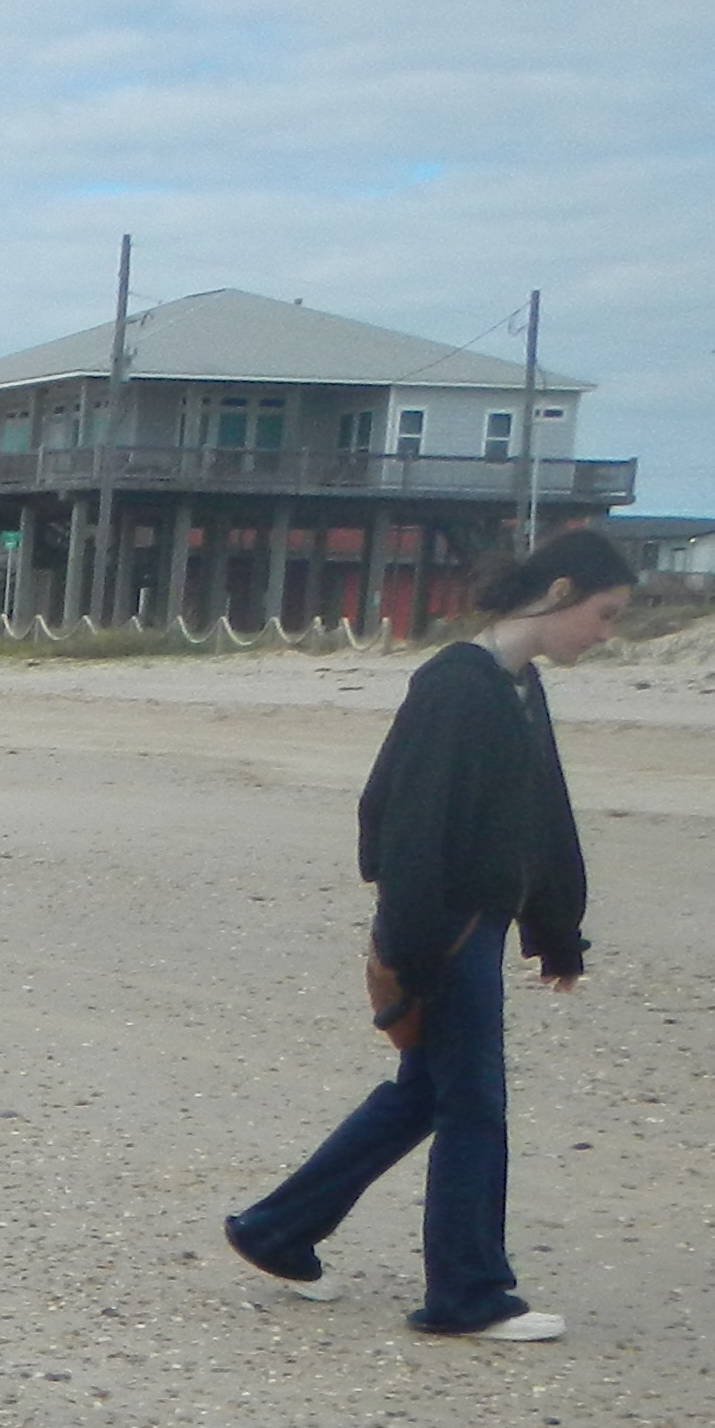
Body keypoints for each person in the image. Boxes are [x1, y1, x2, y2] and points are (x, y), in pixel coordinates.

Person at [224, 526, 633, 1339]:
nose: (607, 631)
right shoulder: (455, 686)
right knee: (474, 1107)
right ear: (558, 594)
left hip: (473, 928)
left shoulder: (520, 687)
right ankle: (466, 1295)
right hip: (442, 932)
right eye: (606, 612)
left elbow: (542, 821)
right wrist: (409, 955)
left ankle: (277, 1229)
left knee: (426, 1096)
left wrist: (558, 932)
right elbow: (399, 826)